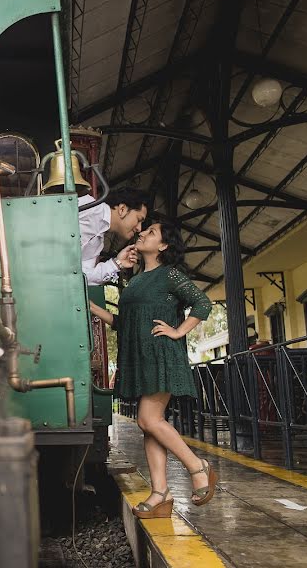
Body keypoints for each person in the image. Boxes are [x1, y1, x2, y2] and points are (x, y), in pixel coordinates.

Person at [89, 221, 217, 519]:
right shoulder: (134, 280)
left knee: (149, 419)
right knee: (150, 424)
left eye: (152, 232)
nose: (143, 232)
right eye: (144, 230)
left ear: (163, 246)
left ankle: (198, 467)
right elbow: (124, 322)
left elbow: (202, 303)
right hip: (139, 357)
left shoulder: (169, 275)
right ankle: (160, 493)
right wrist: (93, 308)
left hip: (161, 355)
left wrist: (177, 331)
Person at [79, 187, 150, 285]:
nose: (139, 228)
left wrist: (117, 263)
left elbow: (83, 277)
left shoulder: (98, 245)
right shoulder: (89, 206)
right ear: (122, 209)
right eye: (139, 220)